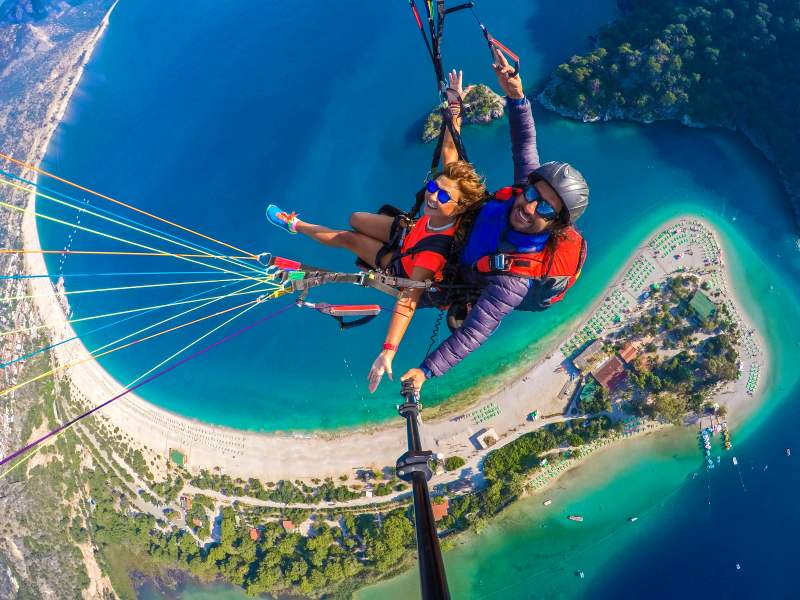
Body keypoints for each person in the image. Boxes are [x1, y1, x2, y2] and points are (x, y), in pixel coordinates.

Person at [265, 85, 486, 392]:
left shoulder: (433, 255)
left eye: (441, 195)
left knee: (348, 237)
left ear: (459, 206)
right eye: (433, 188)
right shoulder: (445, 205)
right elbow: (450, 149)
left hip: (402, 268)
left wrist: (388, 350)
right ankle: (303, 225)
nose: (432, 196)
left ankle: (294, 224)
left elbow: (409, 300)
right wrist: (455, 108)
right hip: (412, 235)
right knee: (355, 218)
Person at [399, 48, 590, 392]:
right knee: (451, 173)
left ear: (556, 225)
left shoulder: (513, 281)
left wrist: (426, 371)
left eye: (545, 209)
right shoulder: (525, 191)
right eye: (532, 195)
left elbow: (474, 332)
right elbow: (525, 142)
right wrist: (516, 95)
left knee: (401, 280)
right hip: (472, 234)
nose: (530, 207)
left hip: (465, 268)